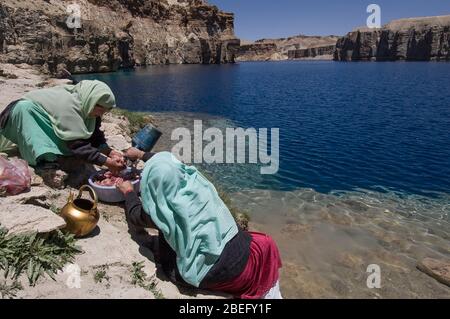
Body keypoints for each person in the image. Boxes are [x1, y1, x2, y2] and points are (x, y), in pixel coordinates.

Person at [116, 149, 283, 299]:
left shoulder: (162, 210)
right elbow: (170, 164)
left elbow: (136, 216)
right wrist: (141, 154)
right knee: (257, 241)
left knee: (172, 262)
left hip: (220, 272)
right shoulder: (197, 183)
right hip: (244, 250)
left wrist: (128, 192)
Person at [0, 80, 125, 173]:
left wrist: (109, 151)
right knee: (49, 149)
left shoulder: (87, 106)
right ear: (93, 102)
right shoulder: (69, 106)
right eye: (101, 109)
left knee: (66, 140)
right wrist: (106, 162)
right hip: (20, 114)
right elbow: (76, 144)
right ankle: (41, 160)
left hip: (43, 116)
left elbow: (94, 134)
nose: (102, 114)